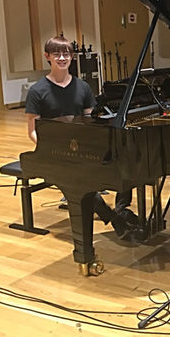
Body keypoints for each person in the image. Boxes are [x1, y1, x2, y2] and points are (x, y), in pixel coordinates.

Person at [25, 35, 139, 238]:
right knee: (80, 179)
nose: (62, 58)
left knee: (125, 158)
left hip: (82, 144)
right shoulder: (37, 91)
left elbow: (90, 121)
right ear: (47, 56)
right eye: (56, 54)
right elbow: (32, 130)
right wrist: (48, 149)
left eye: (66, 54)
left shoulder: (83, 87)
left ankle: (122, 208)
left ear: (72, 57)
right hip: (55, 150)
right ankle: (114, 219)